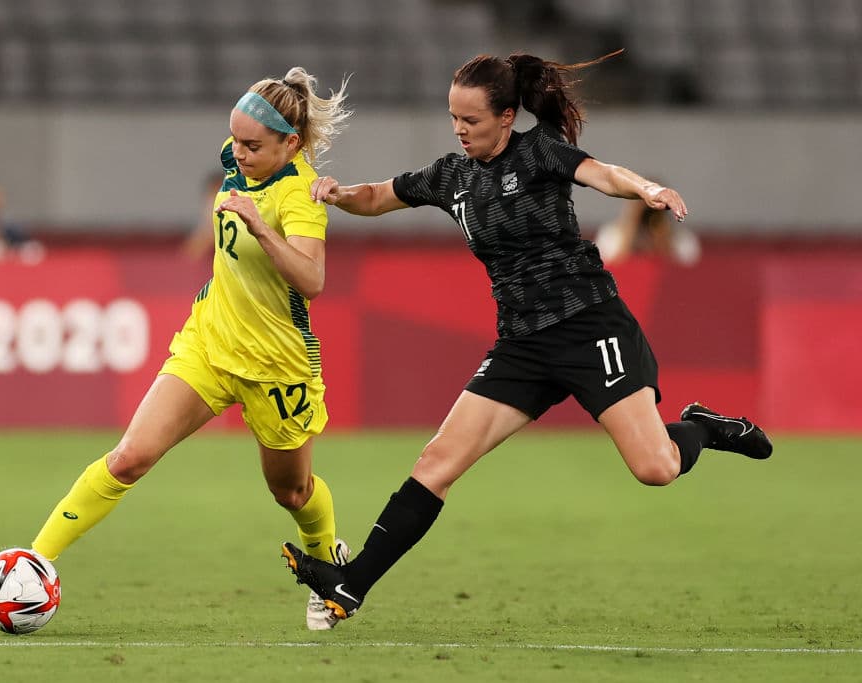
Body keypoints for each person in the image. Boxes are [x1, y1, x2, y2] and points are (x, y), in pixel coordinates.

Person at [280, 50, 773, 624]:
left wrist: (645, 188)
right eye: (453, 119)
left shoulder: (539, 152)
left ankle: (706, 430)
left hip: (589, 325)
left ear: (508, 116)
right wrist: (336, 194)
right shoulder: (451, 176)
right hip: (522, 344)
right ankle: (352, 585)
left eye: (472, 121)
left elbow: (602, 174)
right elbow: (378, 196)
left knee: (656, 468)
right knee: (438, 462)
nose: (459, 131)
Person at [0, 67, 354, 631]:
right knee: (129, 457)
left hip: (277, 365)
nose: (237, 153)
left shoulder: (298, 197)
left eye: (252, 145)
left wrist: (260, 227)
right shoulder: (236, 159)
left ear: (290, 144)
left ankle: (325, 563)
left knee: (291, 492)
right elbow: (238, 172)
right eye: (235, 139)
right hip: (211, 343)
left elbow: (312, 281)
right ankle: (32, 561)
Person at [594, 188, 701, 266]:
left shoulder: (681, 238)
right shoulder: (610, 234)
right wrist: (631, 223)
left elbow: (690, 269)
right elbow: (606, 265)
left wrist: (664, 237)